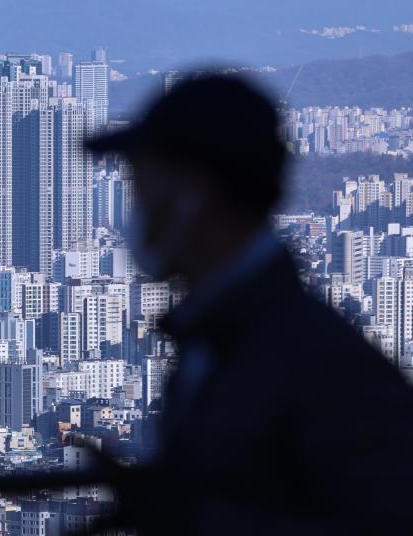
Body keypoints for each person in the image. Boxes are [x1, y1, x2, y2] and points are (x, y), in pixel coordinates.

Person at [82, 74, 413, 535]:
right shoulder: (217, 340)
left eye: (140, 186)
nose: (134, 210)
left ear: (189, 197)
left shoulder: (320, 364)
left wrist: (192, 518)